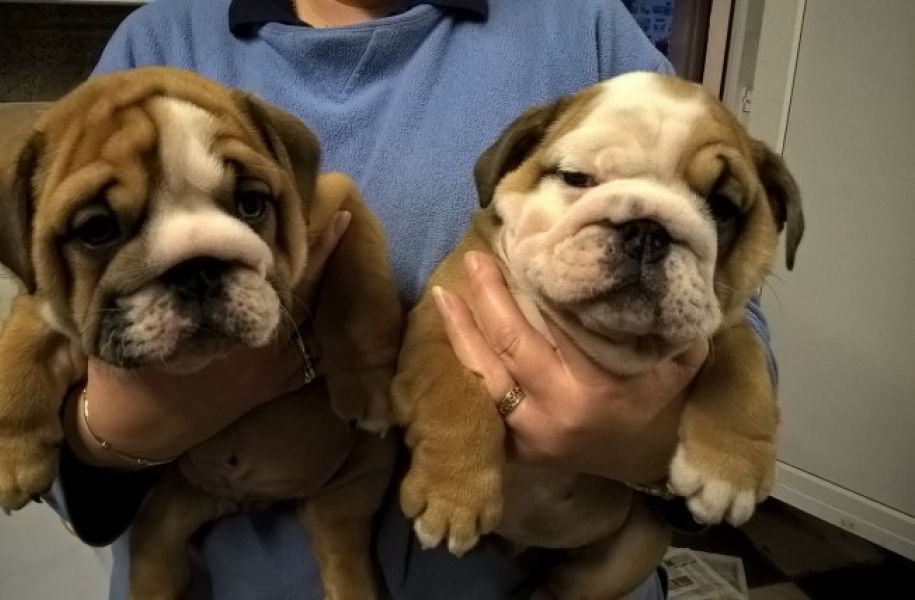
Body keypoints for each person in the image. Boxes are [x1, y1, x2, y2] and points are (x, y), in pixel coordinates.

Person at [50, 1, 778, 598]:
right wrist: (114, 431)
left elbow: (728, 322)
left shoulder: (584, 25)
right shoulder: (159, 39)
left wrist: (647, 450)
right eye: (582, 179)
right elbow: (43, 358)